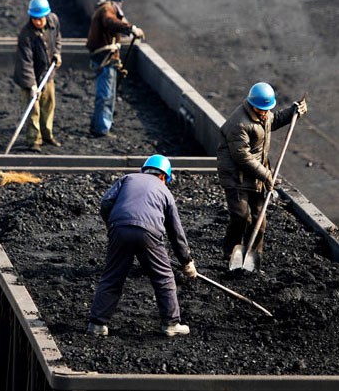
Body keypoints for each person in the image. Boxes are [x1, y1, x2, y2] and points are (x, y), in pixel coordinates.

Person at [87, 155, 197, 338]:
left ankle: (97, 324)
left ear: (146, 170)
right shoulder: (164, 191)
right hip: (149, 233)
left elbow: (106, 202)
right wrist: (186, 261)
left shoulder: (127, 179)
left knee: (112, 276)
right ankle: (171, 323)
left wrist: (112, 226)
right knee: (164, 277)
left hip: (119, 229)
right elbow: (175, 231)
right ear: (164, 176)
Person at [217, 82, 307, 262]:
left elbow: (275, 120)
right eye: (261, 110)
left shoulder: (263, 115)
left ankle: (252, 259)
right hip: (236, 176)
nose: (265, 113)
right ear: (252, 105)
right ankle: (230, 254)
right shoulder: (239, 124)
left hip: (255, 175)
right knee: (242, 217)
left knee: (260, 220)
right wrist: (266, 174)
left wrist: (294, 111)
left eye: (267, 109)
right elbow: (242, 157)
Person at [86, 0, 145, 137]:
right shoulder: (107, 9)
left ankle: (98, 124)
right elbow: (111, 22)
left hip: (108, 59)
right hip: (105, 59)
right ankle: (102, 128)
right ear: (118, 0)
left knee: (107, 94)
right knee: (106, 95)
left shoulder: (108, 9)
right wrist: (130, 28)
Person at [13, 0, 62, 152]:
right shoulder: (26, 35)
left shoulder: (53, 21)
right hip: (29, 77)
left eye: (40, 19)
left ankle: (47, 134)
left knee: (48, 104)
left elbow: (58, 39)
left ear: (46, 15)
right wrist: (32, 85)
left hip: (47, 74)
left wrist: (57, 54)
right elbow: (25, 63)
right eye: (34, 19)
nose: (37, 22)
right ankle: (34, 140)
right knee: (33, 109)